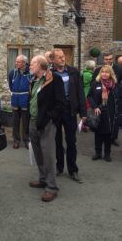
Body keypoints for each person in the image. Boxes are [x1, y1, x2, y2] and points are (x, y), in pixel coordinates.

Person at [28, 55, 65, 202]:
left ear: (40, 65)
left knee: (48, 155)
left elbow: (61, 103)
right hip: (33, 121)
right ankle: (43, 179)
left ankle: (52, 187)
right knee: (38, 153)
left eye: (32, 64)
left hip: (47, 123)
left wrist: (50, 117)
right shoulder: (33, 80)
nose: (29, 66)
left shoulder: (55, 79)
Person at [51, 49, 86, 183]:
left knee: (71, 141)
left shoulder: (73, 72)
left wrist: (83, 112)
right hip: (56, 111)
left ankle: (73, 170)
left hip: (70, 110)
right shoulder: (50, 74)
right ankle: (59, 167)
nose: (62, 59)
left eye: (63, 56)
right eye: (59, 57)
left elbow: (80, 92)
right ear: (53, 60)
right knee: (57, 141)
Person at [87, 65, 120, 162]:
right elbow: (89, 96)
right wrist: (95, 106)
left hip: (110, 113)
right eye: (103, 72)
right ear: (100, 73)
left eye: (107, 72)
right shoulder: (95, 84)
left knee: (108, 134)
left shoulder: (115, 85)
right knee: (98, 133)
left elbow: (118, 98)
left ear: (110, 74)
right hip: (98, 111)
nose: (104, 74)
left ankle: (107, 153)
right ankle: (98, 153)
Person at [8, 55, 31, 149]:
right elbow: (10, 85)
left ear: (24, 63)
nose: (16, 63)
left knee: (26, 122)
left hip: (26, 101)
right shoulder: (12, 73)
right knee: (15, 122)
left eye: (18, 62)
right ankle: (16, 140)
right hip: (15, 101)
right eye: (16, 61)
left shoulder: (30, 73)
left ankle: (26, 140)